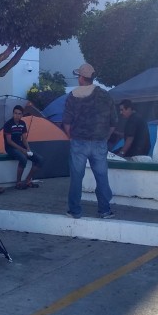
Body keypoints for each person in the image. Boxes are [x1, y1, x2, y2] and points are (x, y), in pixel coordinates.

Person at [63, 63, 117, 219]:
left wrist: (71, 136)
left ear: (81, 77)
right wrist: (105, 137)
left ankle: (75, 211)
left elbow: (66, 122)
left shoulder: (72, 96)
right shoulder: (105, 95)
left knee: (76, 177)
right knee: (102, 176)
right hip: (99, 141)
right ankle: (105, 210)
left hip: (79, 142)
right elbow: (114, 122)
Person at [4, 105, 43, 189]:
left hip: (21, 145)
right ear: (13, 113)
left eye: (19, 114)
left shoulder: (22, 123)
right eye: (15, 113)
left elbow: (24, 138)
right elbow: (9, 141)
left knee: (39, 160)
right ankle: (18, 183)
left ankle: (27, 180)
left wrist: (28, 148)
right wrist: (22, 150)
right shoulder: (8, 124)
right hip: (10, 148)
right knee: (23, 158)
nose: (17, 115)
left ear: (22, 115)